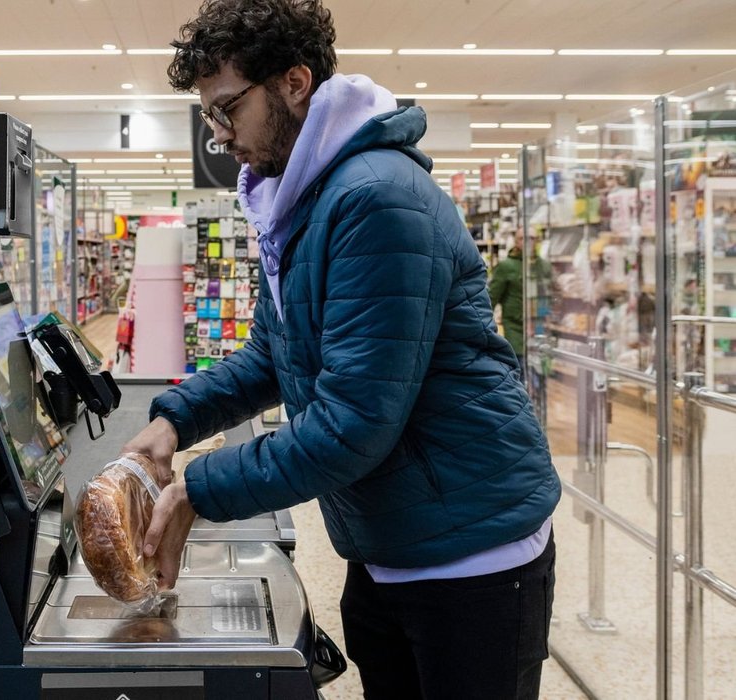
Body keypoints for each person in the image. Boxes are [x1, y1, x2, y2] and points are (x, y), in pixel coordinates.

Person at [125, 1, 561, 697]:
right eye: (209, 116)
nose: (218, 135)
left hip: (470, 554)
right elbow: (270, 354)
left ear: (294, 83)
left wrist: (198, 488)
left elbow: (354, 422)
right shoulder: (304, 201)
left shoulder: (375, 198)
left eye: (228, 108)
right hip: (392, 539)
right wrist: (175, 418)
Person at [489, 228, 529, 370]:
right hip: (515, 331)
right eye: (523, 238)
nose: (528, 242)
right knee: (520, 371)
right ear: (516, 242)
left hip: (538, 331)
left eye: (532, 238)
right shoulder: (506, 266)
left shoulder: (542, 265)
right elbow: (491, 298)